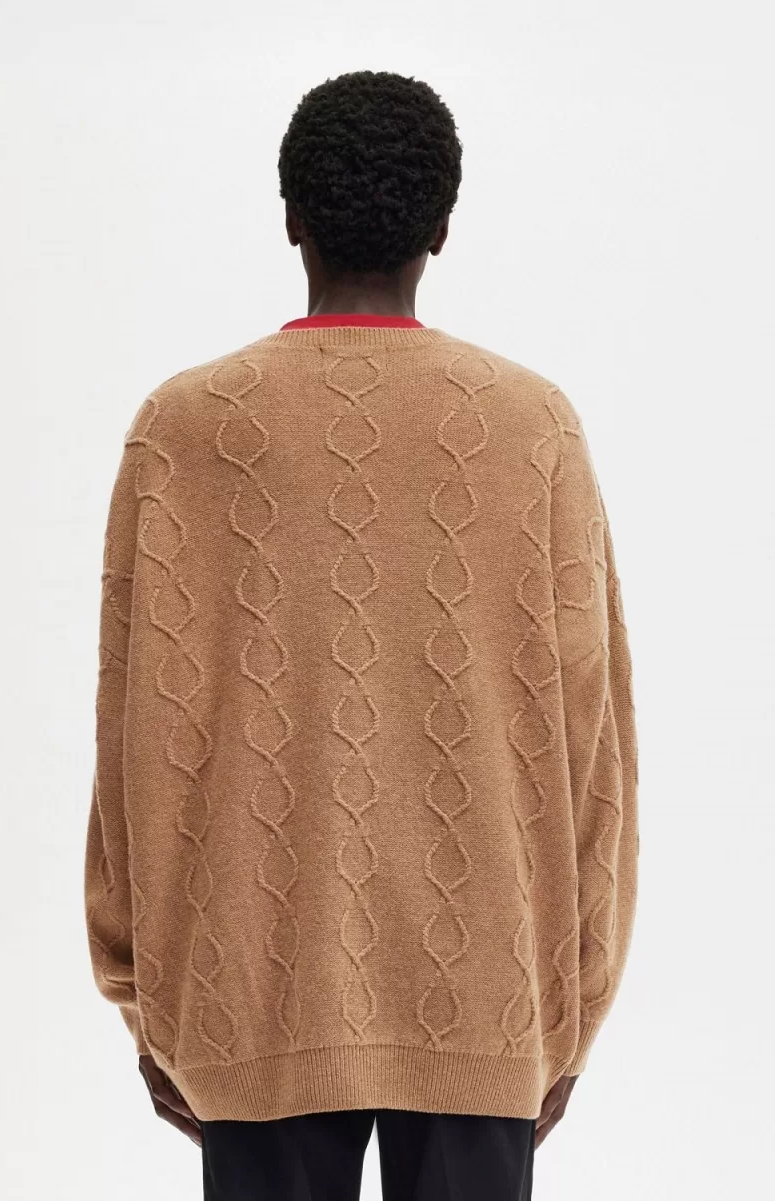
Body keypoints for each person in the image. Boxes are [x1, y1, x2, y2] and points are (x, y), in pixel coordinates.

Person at [84, 69, 639, 1201]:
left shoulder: (181, 428)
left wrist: (148, 993)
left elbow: (131, 735)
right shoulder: (532, 426)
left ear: (290, 216)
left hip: (247, 985)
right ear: (442, 227)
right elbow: (596, 742)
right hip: (488, 988)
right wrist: (573, 1005)